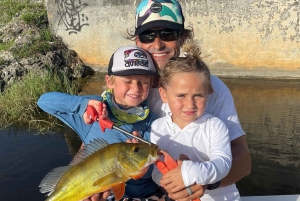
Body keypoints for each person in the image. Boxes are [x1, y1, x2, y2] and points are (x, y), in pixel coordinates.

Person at [84, 0, 251, 200]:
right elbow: (88, 149)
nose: (157, 44)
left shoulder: (210, 88)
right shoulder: (126, 88)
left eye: (168, 34)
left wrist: (207, 184)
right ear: (137, 41)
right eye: (148, 35)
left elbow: (244, 162)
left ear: (183, 38)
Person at [37, 45, 166, 201]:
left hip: (143, 196)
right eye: (127, 81)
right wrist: (82, 106)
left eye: (143, 82)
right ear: (109, 82)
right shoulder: (93, 111)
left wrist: (142, 170)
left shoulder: (152, 122)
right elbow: (44, 102)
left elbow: (156, 164)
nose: (136, 88)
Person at [150, 41, 240, 201]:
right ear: (164, 94)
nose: (190, 104)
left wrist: (187, 172)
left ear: (209, 93)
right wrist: (168, 180)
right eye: (181, 96)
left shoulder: (215, 126)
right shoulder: (157, 127)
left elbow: (223, 164)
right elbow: (157, 168)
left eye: (198, 95)